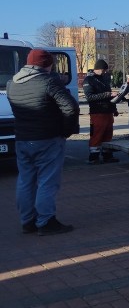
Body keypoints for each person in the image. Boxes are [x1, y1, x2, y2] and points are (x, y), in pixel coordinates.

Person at [6, 49, 80, 235]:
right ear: (47, 64)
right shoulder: (48, 81)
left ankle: (27, 221)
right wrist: (66, 131)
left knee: (25, 181)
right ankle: (46, 222)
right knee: (47, 181)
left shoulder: (11, 84)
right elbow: (71, 108)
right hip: (48, 139)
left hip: (23, 139)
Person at [83, 59, 119, 164]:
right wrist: (108, 94)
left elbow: (110, 96)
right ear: (98, 69)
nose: (105, 72)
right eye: (104, 70)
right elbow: (90, 97)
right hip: (97, 111)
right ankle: (94, 157)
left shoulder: (104, 79)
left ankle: (107, 155)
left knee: (108, 134)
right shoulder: (89, 80)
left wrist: (114, 109)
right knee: (97, 134)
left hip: (108, 111)